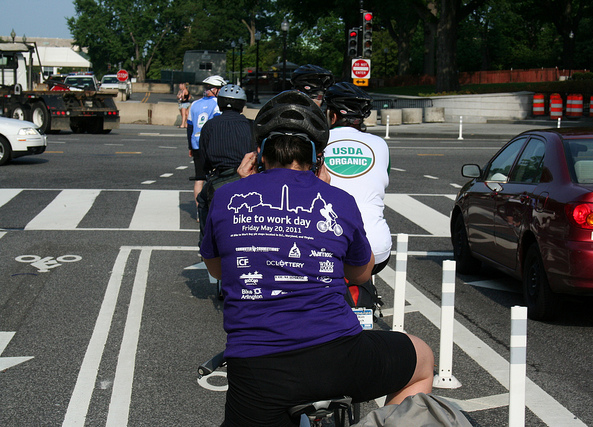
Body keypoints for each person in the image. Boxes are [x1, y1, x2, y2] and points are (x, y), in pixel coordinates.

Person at [200, 90, 434, 426]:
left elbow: (217, 269)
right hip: (338, 356)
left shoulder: (227, 197)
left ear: (259, 153)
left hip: (256, 369)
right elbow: (362, 273)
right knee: (422, 361)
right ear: (317, 157)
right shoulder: (337, 200)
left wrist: (245, 186)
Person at [323, 82, 392, 305]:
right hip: (377, 247)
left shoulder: (319, 142)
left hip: (330, 243)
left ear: (332, 115)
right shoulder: (379, 144)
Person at [196, 84, 253, 245]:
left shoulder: (210, 125)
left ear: (220, 103)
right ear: (241, 105)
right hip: (246, 178)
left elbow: (204, 157)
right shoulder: (251, 125)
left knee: (203, 201)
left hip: (219, 176)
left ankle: (205, 245)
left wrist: (207, 172)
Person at [186, 75, 227, 210]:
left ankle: (199, 210)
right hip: (211, 145)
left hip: (196, 144)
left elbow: (190, 127)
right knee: (216, 177)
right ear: (216, 89)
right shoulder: (217, 104)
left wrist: (190, 146)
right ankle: (213, 208)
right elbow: (218, 125)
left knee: (199, 178)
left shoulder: (194, 104)